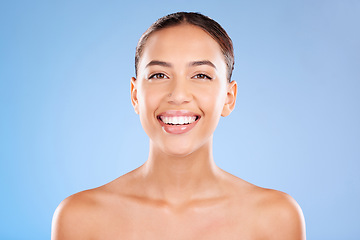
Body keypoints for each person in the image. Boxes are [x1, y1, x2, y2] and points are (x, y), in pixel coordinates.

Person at [51, 12, 306, 239]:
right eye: (159, 75)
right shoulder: (80, 219)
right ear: (135, 95)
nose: (178, 94)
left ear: (229, 98)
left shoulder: (276, 218)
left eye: (201, 75)